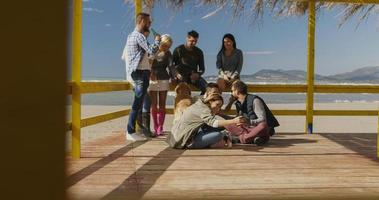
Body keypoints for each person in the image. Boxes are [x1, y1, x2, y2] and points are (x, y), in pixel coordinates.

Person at [122, 12, 161, 142]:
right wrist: (157, 41)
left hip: (139, 72)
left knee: (139, 102)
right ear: (142, 21)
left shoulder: (132, 36)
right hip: (139, 73)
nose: (150, 25)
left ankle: (133, 130)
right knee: (137, 102)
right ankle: (130, 131)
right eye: (148, 23)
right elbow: (151, 50)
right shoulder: (138, 36)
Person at [166, 93, 245, 149]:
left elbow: (209, 124)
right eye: (217, 105)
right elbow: (214, 123)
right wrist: (233, 121)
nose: (218, 108)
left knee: (218, 128)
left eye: (220, 107)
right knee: (218, 134)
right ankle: (223, 138)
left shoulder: (199, 104)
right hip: (183, 141)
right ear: (210, 101)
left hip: (176, 137)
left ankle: (222, 140)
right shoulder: (203, 110)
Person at [228, 81, 279, 145]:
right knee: (227, 124)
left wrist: (249, 122)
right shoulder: (238, 103)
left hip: (258, 128)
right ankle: (254, 139)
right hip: (248, 129)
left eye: (232, 91)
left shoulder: (255, 100)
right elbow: (236, 120)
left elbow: (263, 120)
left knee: (263, 125)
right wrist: (221, 114)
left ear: (237, 91)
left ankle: (242, 139)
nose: (231, 93)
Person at [148, 34, 175, 136]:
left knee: (162, 104)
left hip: (164, 78)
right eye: (165, 45)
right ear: (161, 43)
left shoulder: (168, 54)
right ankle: (155, 127)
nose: (166, 48)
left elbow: (171, 66)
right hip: (153, 79)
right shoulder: (153, 50)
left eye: (168, 46)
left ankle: (160, 127)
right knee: (154, 105)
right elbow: (147, 63)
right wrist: (151, 73)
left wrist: (175, 75)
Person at [172, 30, 207, 94]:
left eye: (195, 41)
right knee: (184, 90)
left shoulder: (199, 52)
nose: (194, 43)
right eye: (192, 41)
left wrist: (197, 74)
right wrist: (176, 74)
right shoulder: (178, 50)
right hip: (181, 76)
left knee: (207, 88)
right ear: (187, 38)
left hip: (193, 76)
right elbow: (171, 65)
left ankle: (200, 102)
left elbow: (202, 69)